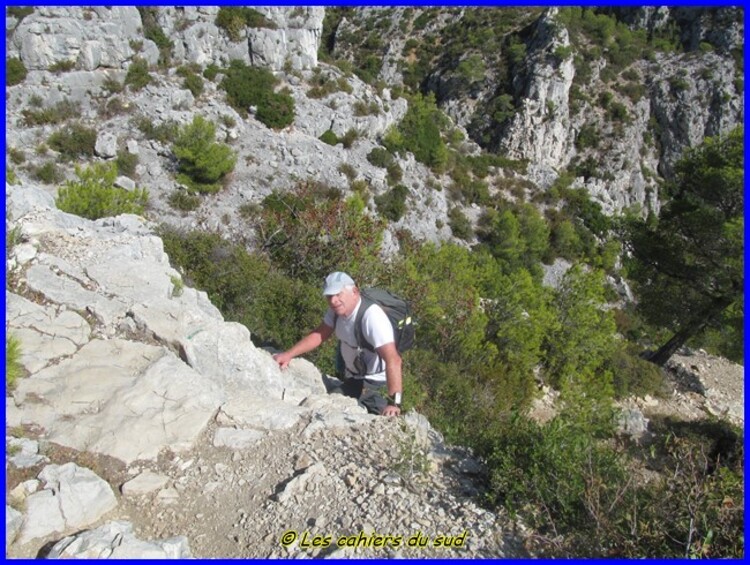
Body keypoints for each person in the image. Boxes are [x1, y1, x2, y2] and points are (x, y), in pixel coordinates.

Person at [273, 271, 403, 417]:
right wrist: (289, 354)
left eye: (338, 294)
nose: (333, 300)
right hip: (353, 378)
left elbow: (393, 359)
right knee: (332, 405)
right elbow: (320, 334)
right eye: (329, 296)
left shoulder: (371, 317)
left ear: (354, 292)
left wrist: (394, 403)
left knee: (340, 409)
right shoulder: (336, 311)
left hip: (375, 383)